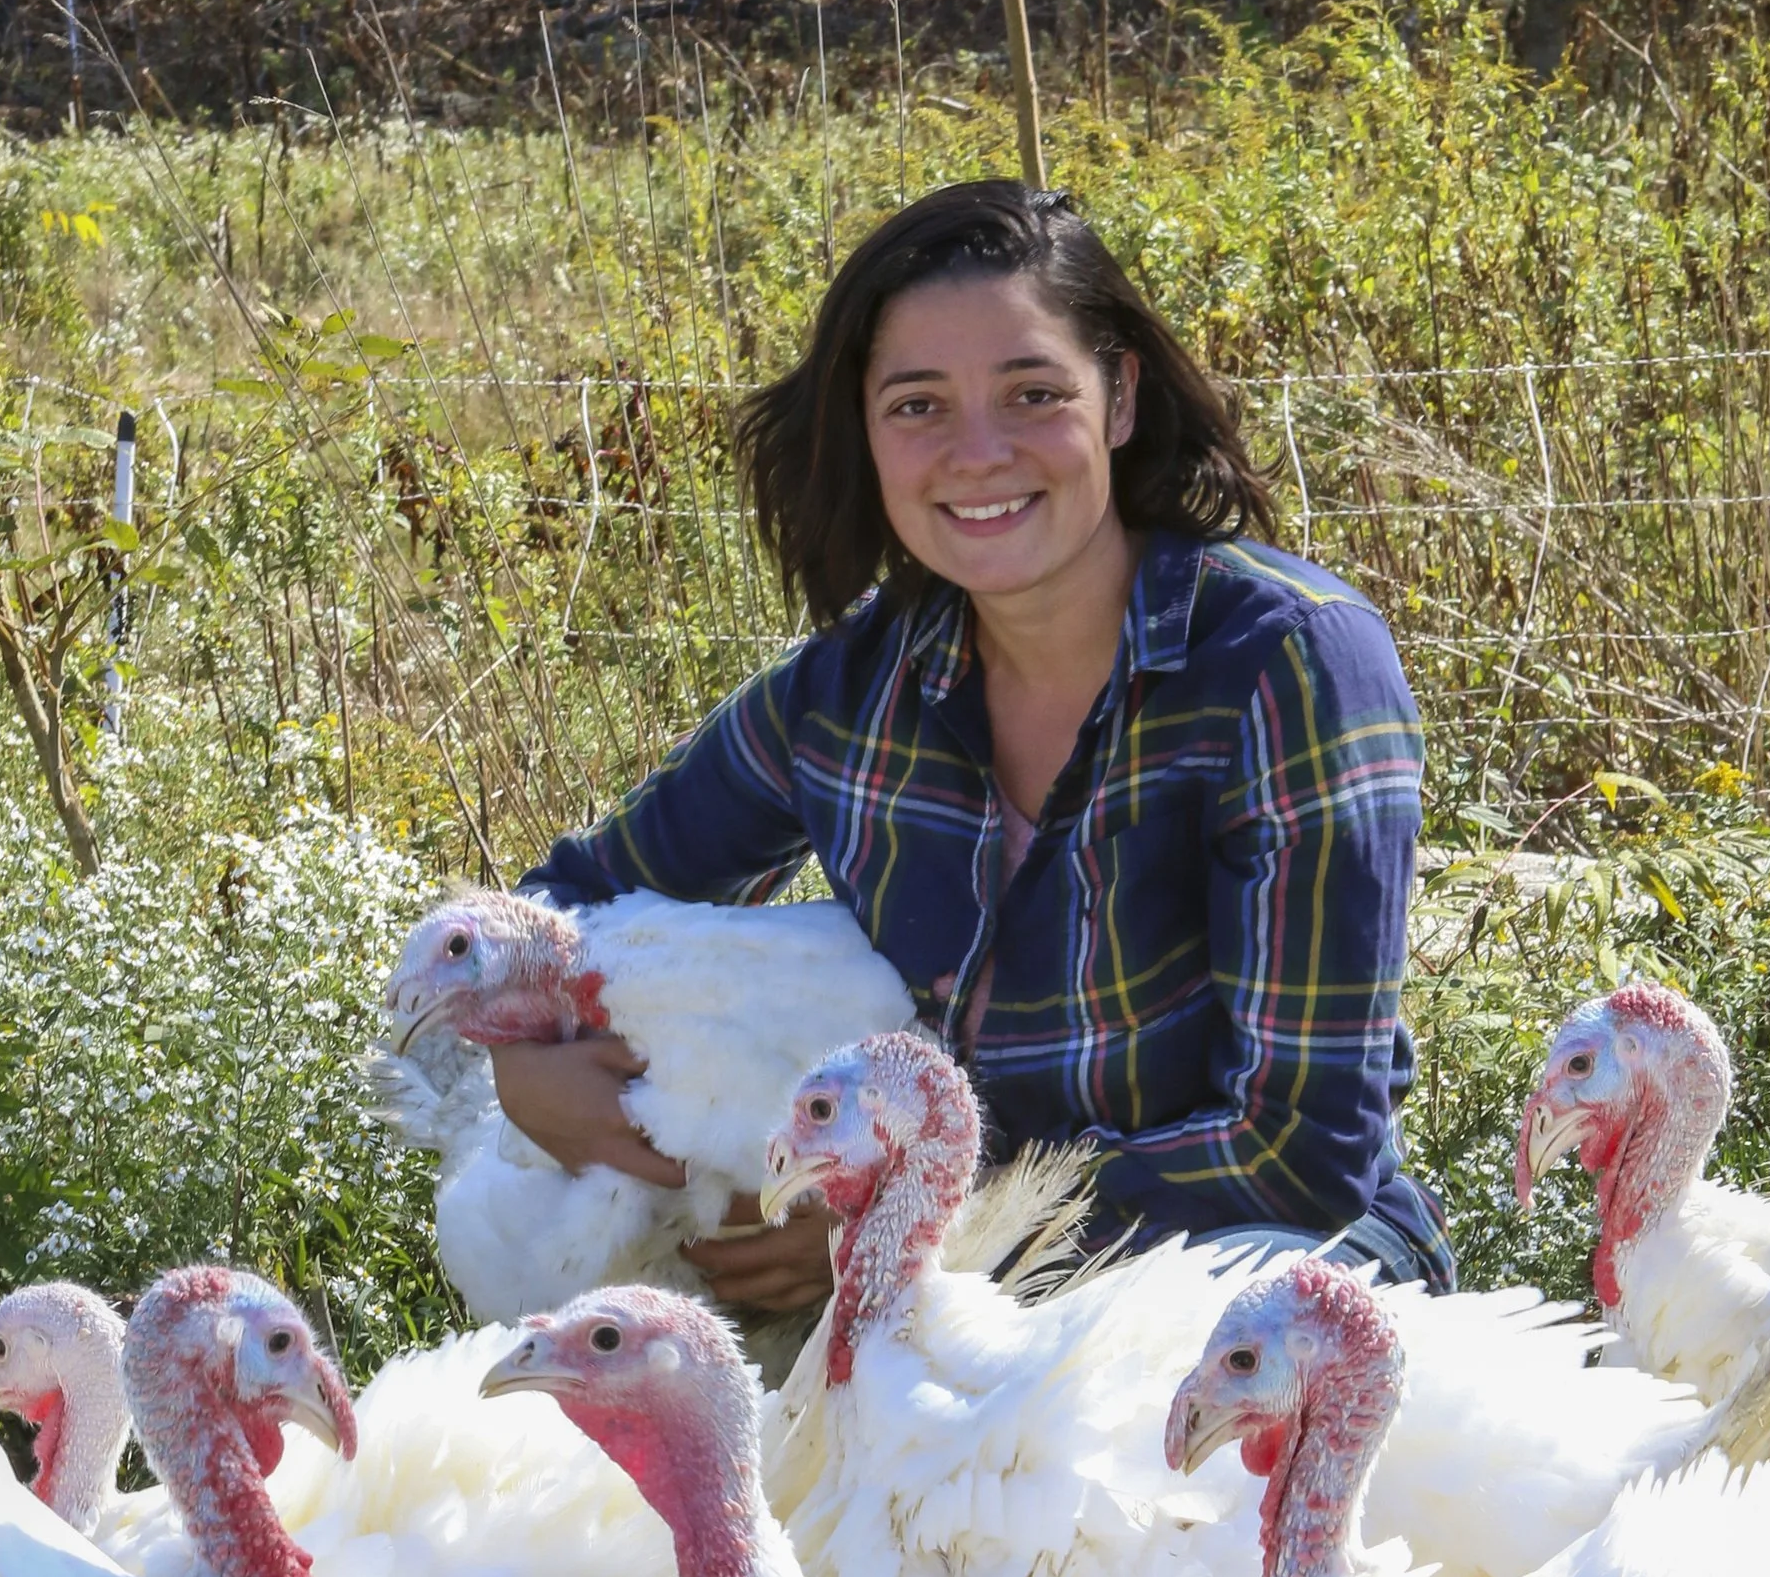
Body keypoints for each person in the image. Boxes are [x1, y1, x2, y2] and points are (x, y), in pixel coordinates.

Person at [498, 179, 1454, 1313]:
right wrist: (525, 1071)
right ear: (863, 428)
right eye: (918, 406)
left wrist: (926, 1229)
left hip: (1258, 1275)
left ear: (1120, 400)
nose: (978, 452)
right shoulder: (853, 695)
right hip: (936, 1289)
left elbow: (1303, 1155)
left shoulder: (1284, 667)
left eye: (1033, 392)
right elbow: (559, 909)